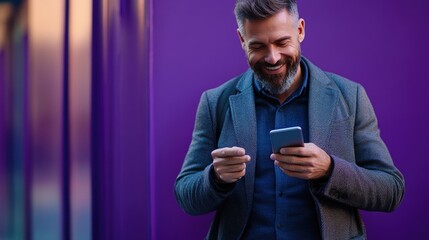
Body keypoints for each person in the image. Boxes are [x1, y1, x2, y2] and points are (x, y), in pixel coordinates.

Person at [174, 0, 405, 239]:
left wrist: (329, 170)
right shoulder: (215, 102)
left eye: (282, 42)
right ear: (242, 40)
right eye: (258, 46)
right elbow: (186, 195)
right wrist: (216, 177)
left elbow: (390, 190)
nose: (272, 58)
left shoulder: (351, 96)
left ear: (300, 30)